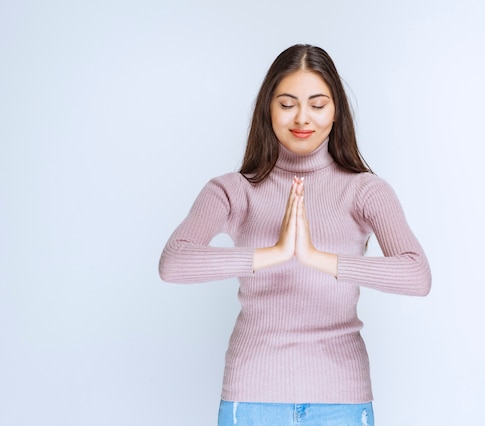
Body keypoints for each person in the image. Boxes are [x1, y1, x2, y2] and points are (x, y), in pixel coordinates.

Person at [159, 44, 431, 426]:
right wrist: (274, 252)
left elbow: (417, 276)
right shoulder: (234, 189)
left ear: (337, 112)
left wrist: (315, 257)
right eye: (287, 104)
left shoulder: (365, 190)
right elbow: (173, 262)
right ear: (268, 110)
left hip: (342, 398)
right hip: (252, 396)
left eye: (318, 105)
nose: (303, 118)